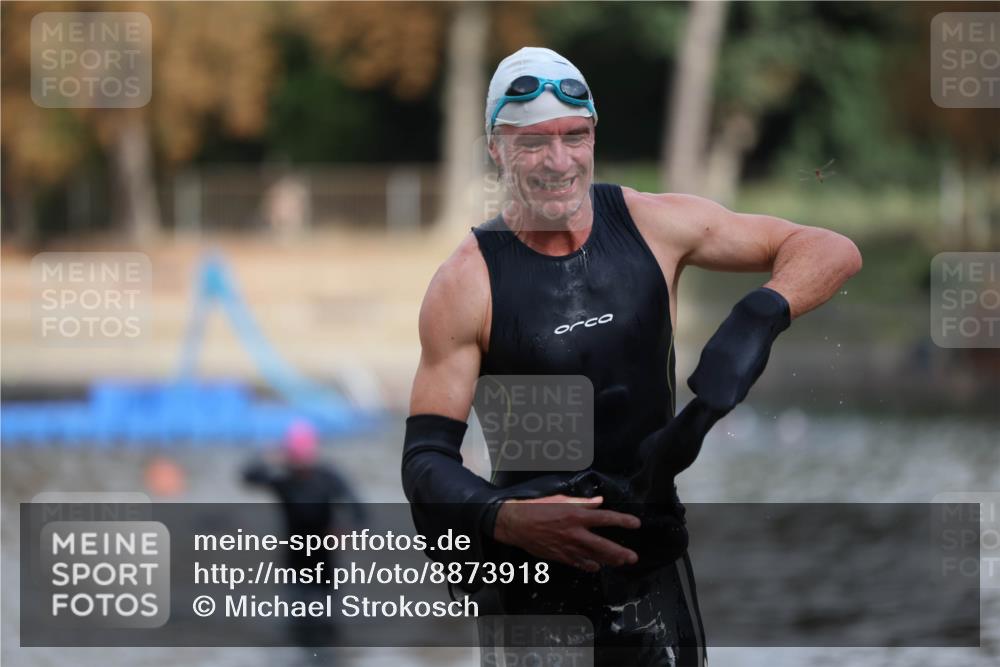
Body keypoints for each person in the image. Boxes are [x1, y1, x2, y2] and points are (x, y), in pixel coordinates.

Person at [401, 47, 862, 666]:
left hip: (653, 567)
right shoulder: (468, 281)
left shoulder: (653, 225)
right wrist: (505, 518)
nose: (559, 161)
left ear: (593, 135)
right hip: (535, 588)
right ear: (495, 147)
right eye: (533, 142)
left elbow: (828, 250)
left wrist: (759, 317)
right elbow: (424, 462)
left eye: (575, 135)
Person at [244, 419, 365, 656]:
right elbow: (248, 476)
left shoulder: (327, 477)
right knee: (297, 630)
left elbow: (359, 511)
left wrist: (346, 530)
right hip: (294, 566)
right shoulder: (283, 480)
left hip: (324, 566)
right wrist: (268, 456)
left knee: (326, 627)